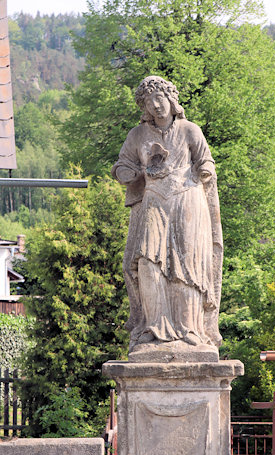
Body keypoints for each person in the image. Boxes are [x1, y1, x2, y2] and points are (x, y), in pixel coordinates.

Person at [112, 75, 223, 358]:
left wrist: (205, 171)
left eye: (160, 99)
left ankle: (190, 330)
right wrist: (133, 173)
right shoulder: (137, 136)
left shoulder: (189, 130)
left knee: (187, 265)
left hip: (187, 199)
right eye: (149, 102)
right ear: (145, 107)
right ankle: (153, 327)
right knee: (148, 263)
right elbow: (122, 166)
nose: (156, 106)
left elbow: (205, 161)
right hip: (154, 201)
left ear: (171, 100)